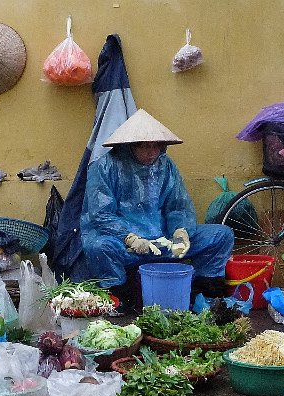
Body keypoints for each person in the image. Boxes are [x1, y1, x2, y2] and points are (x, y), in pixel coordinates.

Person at [77, 109, 234, 314]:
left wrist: (181, 232)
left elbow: (178, 204)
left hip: (162, 239)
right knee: (98, 246)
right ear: (130, 145)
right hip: (125, 243)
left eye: (155, 146)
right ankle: (118, 299)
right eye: (144, 146)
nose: (151, 152)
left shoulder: (166, 165)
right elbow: (100, 214)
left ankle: (203, 293)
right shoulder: (105, 167)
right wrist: (129, 237)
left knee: (221, 235)